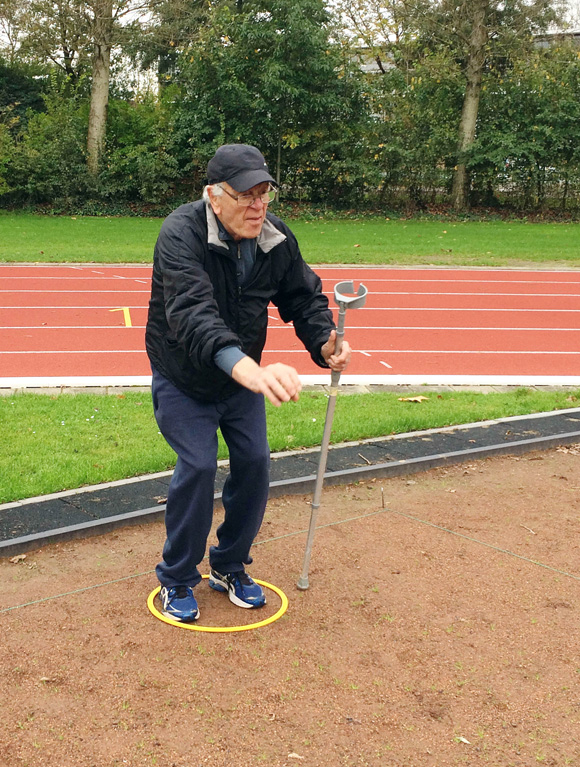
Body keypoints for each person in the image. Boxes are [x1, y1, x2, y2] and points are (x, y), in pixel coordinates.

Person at [145, 143, 351, 622]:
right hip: (184, 373)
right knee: (197, 467)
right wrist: (252, 371)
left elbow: (303, 297)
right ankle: (177, 577)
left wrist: (324, 342)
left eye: (265, 195)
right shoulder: (181, 233)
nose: (258, 206)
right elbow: (193, 315)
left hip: (241, 379)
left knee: (256, 463)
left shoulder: (274, 238)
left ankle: (229, 565)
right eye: (246, 196)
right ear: (214, 197)